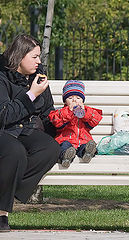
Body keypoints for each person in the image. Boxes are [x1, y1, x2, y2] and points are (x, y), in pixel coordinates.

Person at [0, 34, 60, 232]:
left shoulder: (38, 76)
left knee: (50, 148)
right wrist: (31, 94)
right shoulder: (2, 76)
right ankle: (2, 213)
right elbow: (4, 115)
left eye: (39, 56)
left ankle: (6, 193)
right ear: (20, 56)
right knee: (15, 153)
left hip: (26, 129)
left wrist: (63, 124)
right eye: (34, 57)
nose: (39, 61)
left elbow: (47, 112)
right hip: (4, 130)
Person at [48, 80, 102, 167]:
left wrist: (85, 112)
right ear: (65, 101)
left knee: (86, 145)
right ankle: (66, 157)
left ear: (82, 101)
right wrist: (69, 111)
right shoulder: (61, 111)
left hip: (83, 139)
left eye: (78, 98)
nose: (74, 101)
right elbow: (56, 122)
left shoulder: (87, 110)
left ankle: (87, 153)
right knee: (65, 146)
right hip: (66, 139)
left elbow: (95, 120)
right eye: (70, 98)